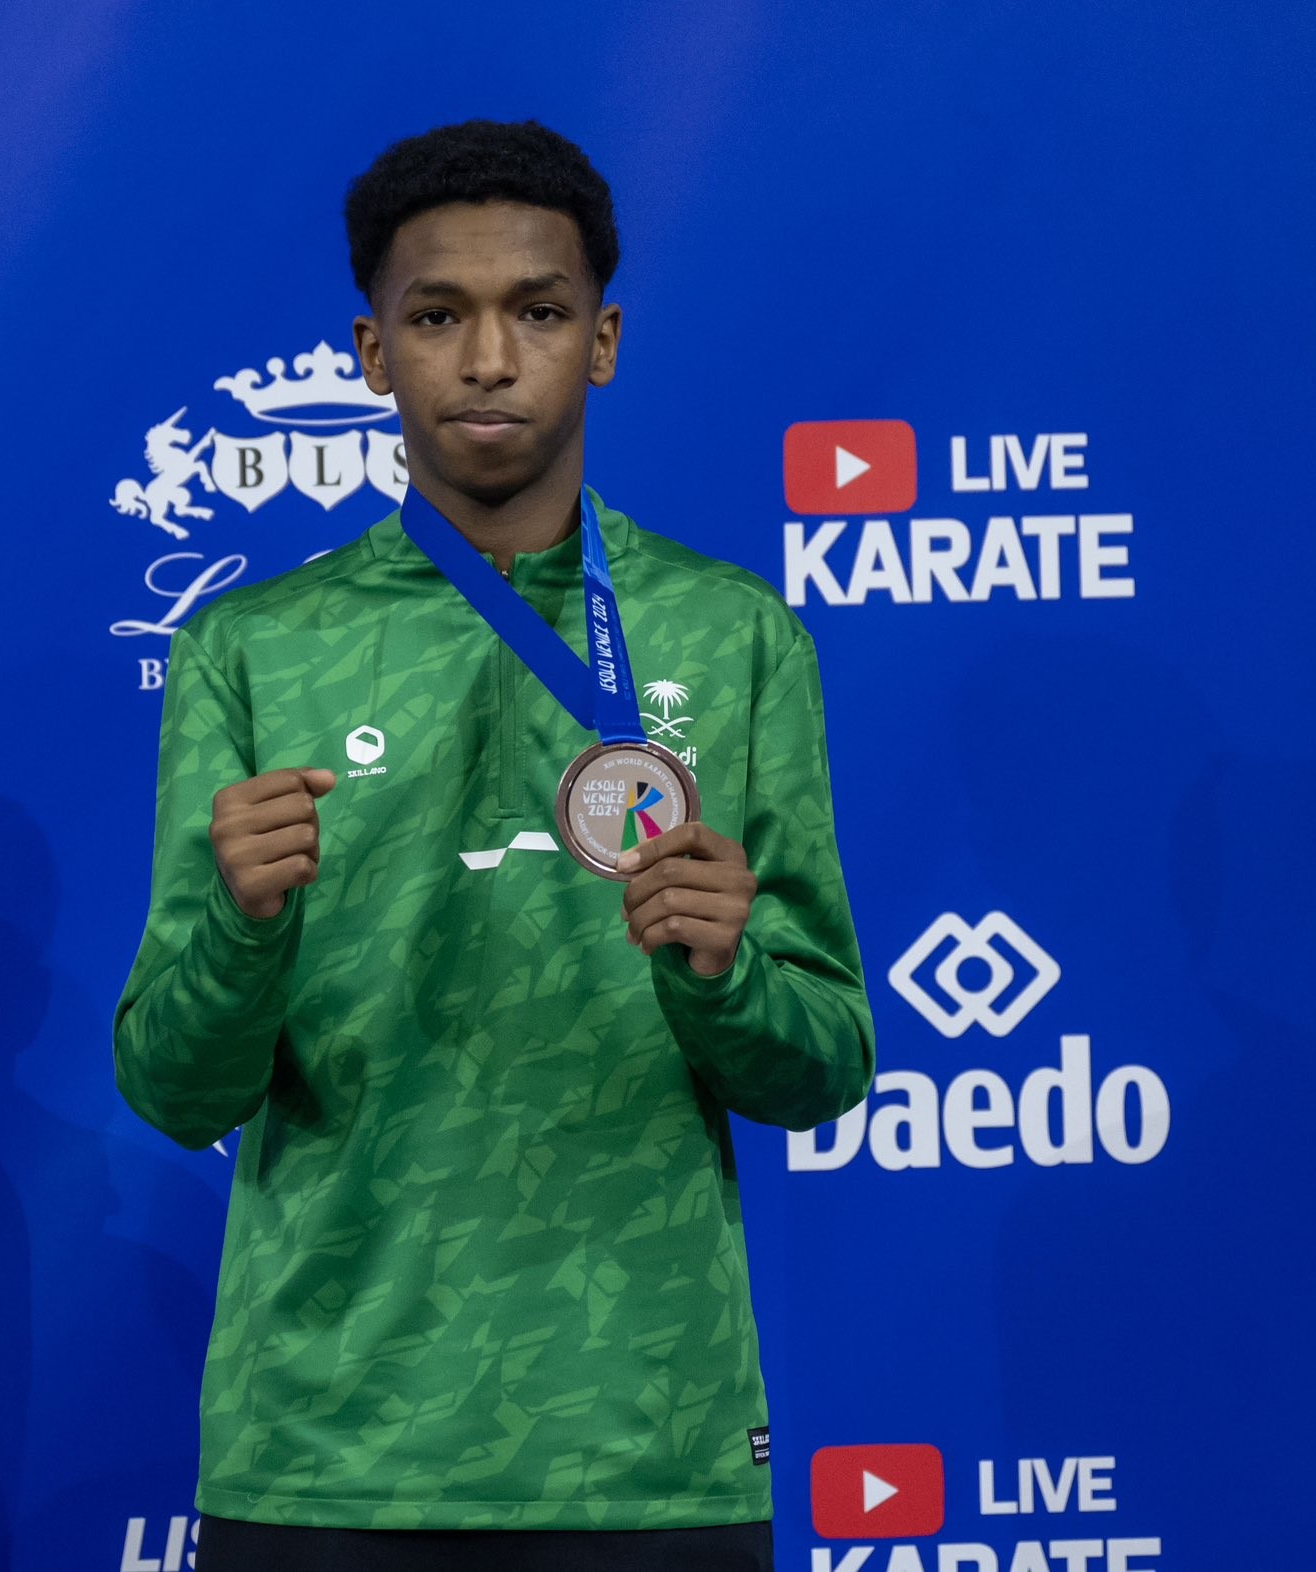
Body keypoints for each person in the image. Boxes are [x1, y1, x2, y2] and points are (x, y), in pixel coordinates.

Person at [112, 118, 875, 1572]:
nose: (485, 359)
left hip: (649, 1447)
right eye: (435, 316)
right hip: (326, 1452)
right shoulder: (251, 650)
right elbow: (169, 1083)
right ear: (371, 350)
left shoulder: (736, 636)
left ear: (602, 341)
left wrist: (723, 975)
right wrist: (241, 932)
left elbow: (825, 1068)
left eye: (536, 311)